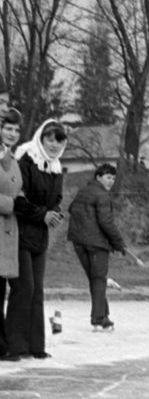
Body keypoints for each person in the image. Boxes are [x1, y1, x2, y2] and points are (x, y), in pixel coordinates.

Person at [2, 119, 67, 362]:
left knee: (37, 290)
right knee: (23, 289)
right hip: (20, 233)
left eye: (59, 140)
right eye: (50, 139)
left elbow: (55, 198)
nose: (53, 144)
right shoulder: (26, 159)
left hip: (40, 236)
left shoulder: (56, 167)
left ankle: (34, 345)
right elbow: (19, 199)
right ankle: (14, 346)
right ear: (41, 138)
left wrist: (56, 212)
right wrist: (43, 214)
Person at [66, 164, 128, 330]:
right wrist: (119, 243)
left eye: (113, 178)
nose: (111, 181)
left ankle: (103, 317)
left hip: (79, 243)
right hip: (96, 244)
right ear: (98, 177)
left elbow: (71, 209)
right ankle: (99, 319)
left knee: (96, 280)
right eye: (108, 177)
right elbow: (106, 222)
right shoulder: (103, 195)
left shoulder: (82, 192)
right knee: (99, 280)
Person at [0, 107, 23, 356]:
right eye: (8, 128)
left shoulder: (12, 159)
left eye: (16, 130)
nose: (12, 133)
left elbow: (17, 190)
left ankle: (3, 345)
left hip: (8, 232)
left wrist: (24, 202)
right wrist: (12, 204)